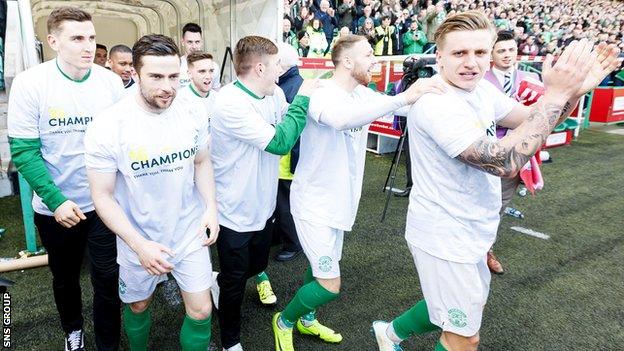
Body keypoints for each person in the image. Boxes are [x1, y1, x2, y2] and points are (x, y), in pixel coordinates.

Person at [372, 10, 620, 351]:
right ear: (440, 56)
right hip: (445, 234)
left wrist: (571, 92)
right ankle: (391, 335)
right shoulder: (435, 103)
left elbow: (534, 120)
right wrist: (556, 94)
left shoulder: (480, 92)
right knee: (465, 337)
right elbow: (503, 161)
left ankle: (389, 334)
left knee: (456, 308)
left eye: (479, 53)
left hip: (474, 227)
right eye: (460, 53)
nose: (471, 62)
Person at [271, 34, 445, 351]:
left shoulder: (362, 94)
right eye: (369, 55)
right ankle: (283, 320)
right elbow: (340, 120)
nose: (375, 61)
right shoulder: (321, 92)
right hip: (313, 204)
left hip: (340, 204)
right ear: (348, 61)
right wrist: (405, 97)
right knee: (329, 283)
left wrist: (435, 92)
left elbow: (403, 111)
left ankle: (306, 319)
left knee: (321, 268)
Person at [84, 34, 218, 351]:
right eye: (156, 76)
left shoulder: (192, 111)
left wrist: (211, 208)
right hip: (137, 236)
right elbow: (101, 195)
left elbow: (202, 162)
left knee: (201, 311)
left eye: (174, 76)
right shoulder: (108, 125)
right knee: (139, 306)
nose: (167, 86)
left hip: (188, 230)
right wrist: (139, 244)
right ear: (136, 73)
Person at [7, 7, 124, 351]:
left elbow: (122, 142)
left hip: (104, 204)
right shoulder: (31, 84)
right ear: (53, 41)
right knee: (65, 278)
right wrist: (56, 201)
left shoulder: (110, 82)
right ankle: (73, 331)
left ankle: (108, 343)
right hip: (56, 208)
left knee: (107, 277)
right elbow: (25, 153)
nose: (88, 46)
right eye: (77, 38)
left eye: (91, 37)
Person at [210, 35, 317, 351]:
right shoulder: (229, 102)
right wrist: (305, 97)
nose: (280, 73)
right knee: (234, 282)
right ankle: (231, 341)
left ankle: (223, 281)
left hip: (264, 204)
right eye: (276, 67)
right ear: (259, 68)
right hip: (233, 210)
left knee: (255, 268)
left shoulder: (274, 93)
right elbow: (280, 142)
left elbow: (290, 123)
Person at [482, 30, 541, 275]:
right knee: (482, 202)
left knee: (501, 204)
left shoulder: (528, 78)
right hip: (486, 152)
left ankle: (486, 249)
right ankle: (472, 248)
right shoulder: (481, 81)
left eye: (511, 50)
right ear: (491, 55)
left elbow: (542, 115)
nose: (507, 55)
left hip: (519, 154)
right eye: (501, 51)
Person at [274, 43, 304, 262]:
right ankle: (285, 237)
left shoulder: (286, 89)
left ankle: (292, 243)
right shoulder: (295, 84)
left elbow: (294, 129)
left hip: (286, 160)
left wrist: (294, 161)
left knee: (285, 203)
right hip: (289, 157)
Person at [179, 23, 221, 90]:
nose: (194, 46)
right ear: (183, 42)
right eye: (190, 42)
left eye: (197, 42)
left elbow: (216, 92)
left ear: (201, 42)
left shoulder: (213, 67)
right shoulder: (177, 66)